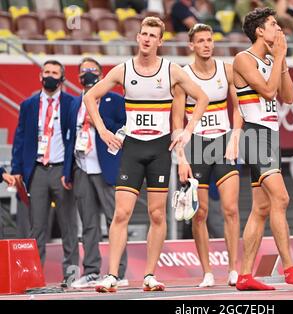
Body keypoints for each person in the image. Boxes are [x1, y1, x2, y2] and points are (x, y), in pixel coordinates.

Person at [83, 16, 208, 293]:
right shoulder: (123, 70)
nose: (148, 39)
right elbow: (89, 97)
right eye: (144, 34)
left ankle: (149, 275)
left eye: (153, 35)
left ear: (160, 41)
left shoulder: (171, 70)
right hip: (132, 149)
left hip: (159, 150)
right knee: (121, 213)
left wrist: (187, 131)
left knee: (156, 215)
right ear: (138, 37)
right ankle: (112, 275)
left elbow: (202, 98)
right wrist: (103, 131)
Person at [233, 8, 293, 291]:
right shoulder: (244, 59)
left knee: (261, 208)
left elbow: (288, 97)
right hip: (255, 135)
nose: (279, 29)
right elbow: (267, 92)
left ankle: (244, 276)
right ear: (259, 31)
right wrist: (278, 57)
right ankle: (290, 268)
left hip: (271, 136)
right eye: (273, 25)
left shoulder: (271, 59)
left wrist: (282, 60)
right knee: (282, 198)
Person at [172, 23, 241, 288]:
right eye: (200, 41)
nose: (206, 45)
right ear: (191, 45)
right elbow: (177, 121)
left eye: (209, 40)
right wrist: (181, 158)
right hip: (196, 145)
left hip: (223, 142)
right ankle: (208, 272)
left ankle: (233, 269)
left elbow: (239, 108)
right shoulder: (183, 76)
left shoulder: (226, 70)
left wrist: (235, 135)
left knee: (231, 209)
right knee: (199, 213)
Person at [11, 60, 79, 287]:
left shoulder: (71, 103)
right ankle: (34, 276)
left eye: (55, 73)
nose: (50, 76)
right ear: (40, 76)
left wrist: (70, 170)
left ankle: (70, 277)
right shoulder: (28, 104)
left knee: (68, 225)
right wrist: (17, 168)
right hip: (37, 170)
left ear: (62, 79)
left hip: (61, 170)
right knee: (36, 227)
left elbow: (74, 139)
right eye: (46, 72)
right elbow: (20, 138)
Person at [64, 57, 128, 289]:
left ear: (102, 75)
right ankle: (91, 270)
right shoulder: (75, 102)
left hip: (108, 167)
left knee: (115, 219)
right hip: (81, 166)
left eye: (92, 70)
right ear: (78, 76)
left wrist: (100, 122)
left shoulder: (115, 100)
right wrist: (67, 171)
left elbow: (126, 126)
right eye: (83, 71)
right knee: (88, 223)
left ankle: (119, 272)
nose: (87, 74)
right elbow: (68, 137)